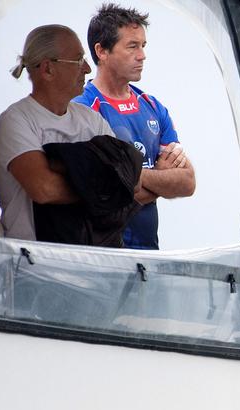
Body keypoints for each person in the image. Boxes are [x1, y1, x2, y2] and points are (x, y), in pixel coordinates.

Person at [74, 3, 196, 250]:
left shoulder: (152, 106)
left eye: (143, 46)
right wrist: (161, 178)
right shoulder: (83, 109)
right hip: (103, 258)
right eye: (132, 46)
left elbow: (187, 181)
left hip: (149, 257)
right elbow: (100, 196)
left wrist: (127, 179)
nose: (142, 55)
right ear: (102, 51)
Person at [0, 24, 115, 240]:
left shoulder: (92, 120)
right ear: (48, 69)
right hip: (33, 266)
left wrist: (61, 168)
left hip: (94, 264)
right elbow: (44, 189)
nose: (87, 68)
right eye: (78, 60)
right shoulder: (16, 120)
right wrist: (101, 191)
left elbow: (123, 179)